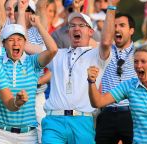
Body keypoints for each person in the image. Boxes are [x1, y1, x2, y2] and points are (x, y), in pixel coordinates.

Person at [41, 0, 117, 143]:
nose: (76, 28)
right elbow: (29, 47)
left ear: (91, 32)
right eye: (72, 26)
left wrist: (111, 9)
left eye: (81, 25)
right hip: (54, 120)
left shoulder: (97, 54)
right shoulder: (57, 54)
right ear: (68, 32)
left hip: (83, 120)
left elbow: (106, 41)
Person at [87, 44, 147, 144]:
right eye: (136, 62)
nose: (138, 65)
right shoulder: (130, 85)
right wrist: (91, 82)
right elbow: (98, 102)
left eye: (143, 61)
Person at [0, 6, 58, 143]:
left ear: (25, 43)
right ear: (3, 44)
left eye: (20, 39)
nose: (16, 43)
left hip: (28, 135)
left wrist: (38, 25)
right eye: (11, 39)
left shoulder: (32, 62)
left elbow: (53, 50)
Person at [97, 1, 136, 143]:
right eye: (114, 26)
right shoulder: (103, 51)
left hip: (131, 113)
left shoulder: (139, 52)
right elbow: (106, 41)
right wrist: (111, 7)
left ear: (131, 30)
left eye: (122, 25)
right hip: (107, 112)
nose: (117, 29)